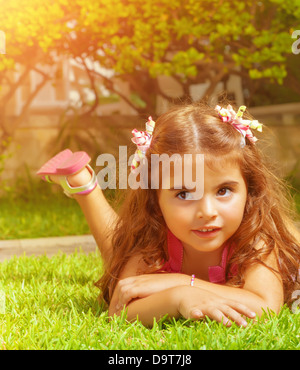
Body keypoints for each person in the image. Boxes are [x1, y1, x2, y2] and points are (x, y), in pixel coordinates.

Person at [37, 102, 300, 327]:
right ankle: (83, 184)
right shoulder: (155, 239)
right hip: (154, 237)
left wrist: (185, 284)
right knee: (119, 252)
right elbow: (122, 306)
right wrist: (177, 299)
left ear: (249, 189)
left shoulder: (254, 239)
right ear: (155, 200)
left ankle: (81, 183)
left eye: (224, 191)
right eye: (184, 194)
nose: (207, 212)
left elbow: (267, 307)